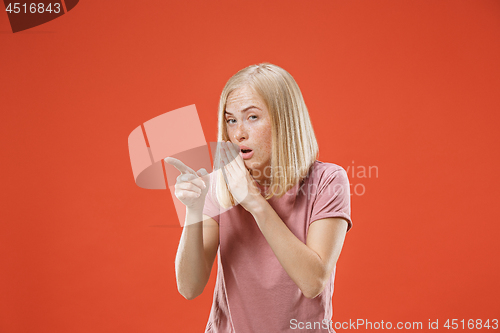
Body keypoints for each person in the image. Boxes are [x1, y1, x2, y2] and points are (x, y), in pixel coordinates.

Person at [165, 63, 352, 333]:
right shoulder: (219, 185)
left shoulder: (328, 180)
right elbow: (189, 287)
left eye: (252, 117)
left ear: (284, 120)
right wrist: (193, 210)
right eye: (231, 120)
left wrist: (254, 202)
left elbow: (313, 281)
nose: (238, 132)